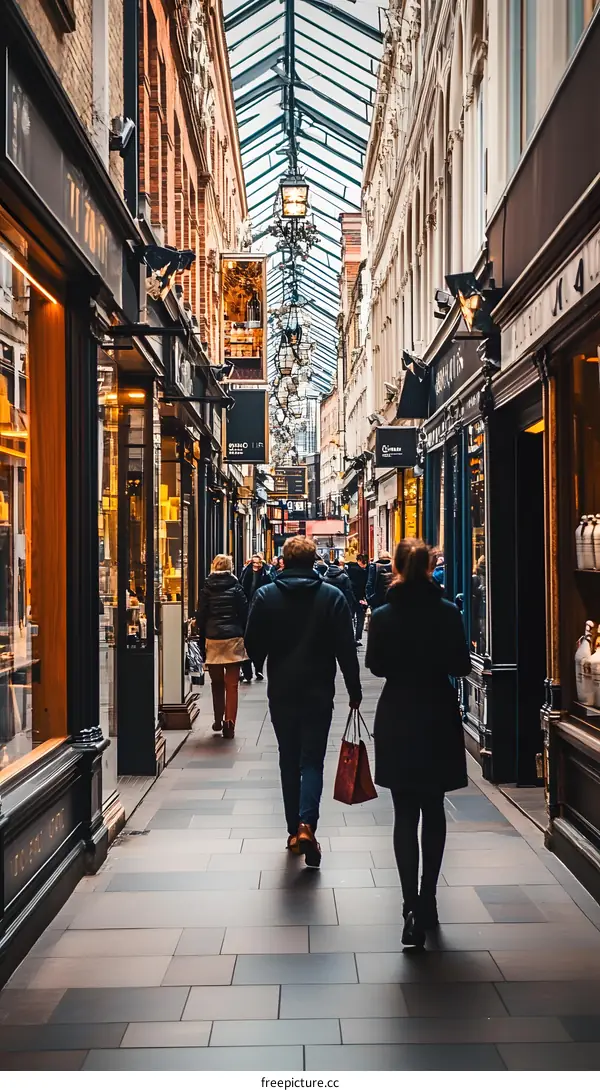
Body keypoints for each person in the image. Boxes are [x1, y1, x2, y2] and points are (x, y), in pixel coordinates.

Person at [365, 538, 471, 948]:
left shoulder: (385, 614)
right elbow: (461, 665)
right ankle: (429, 900)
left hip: (398, 715)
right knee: (433, 807)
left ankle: (408, 904)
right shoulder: (447, 612)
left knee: (404, 813)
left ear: (395, 567)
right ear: (430, 566)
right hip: (436, 713)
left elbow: (375, 665)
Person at [245, 535, 362, 867]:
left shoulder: (266, 596)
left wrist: (261, 661)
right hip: (319, 691)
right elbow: (345, 649)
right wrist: (354, 689)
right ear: (314, 561)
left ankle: (292, 830)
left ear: (283, 560)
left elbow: (252, 644)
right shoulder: (332, 597)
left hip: (282, 690)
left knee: (288, 758)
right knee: (312, 760)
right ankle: (307, 823)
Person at [196, 554, 248, 739]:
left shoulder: (206, 588)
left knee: (216, 683)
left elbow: (201, 615)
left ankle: (218, 719)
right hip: (233, 638)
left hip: (213, 639)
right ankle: (229, 723)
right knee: (232, 685)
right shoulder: (236, 587)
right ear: (230, 567)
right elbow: (244, 612)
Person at [240, 553, 271, 682]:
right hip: (246, 611)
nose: (256, 565)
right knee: (245, 643)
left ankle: (258, 668)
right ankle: (247, 671)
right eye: (254, 563)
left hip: (260, 611)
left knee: (260, 643)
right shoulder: (245, 573)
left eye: (258, 563)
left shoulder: (266, 575)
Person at [347, 553, 369, 645]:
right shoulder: (364, 572)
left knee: (350, 618)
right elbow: (366, 586)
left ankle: (350, 637)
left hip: (350, 598)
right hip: (360, 598)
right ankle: (358, 638)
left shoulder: (348, 569)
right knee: (360, 618)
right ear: (361, 562)